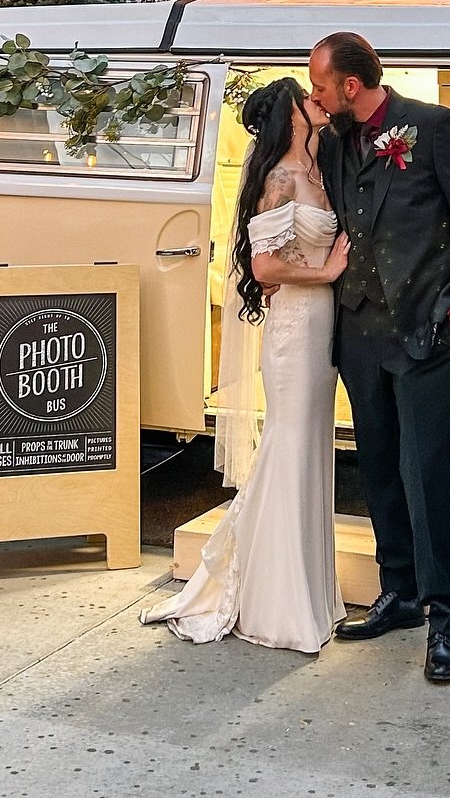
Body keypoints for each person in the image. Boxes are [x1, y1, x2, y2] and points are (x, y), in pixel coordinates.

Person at [309, 33, 450, 683]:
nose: (316, 94)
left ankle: (445, 621)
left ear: (351, 85)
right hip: (359, 331)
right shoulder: (336, 140)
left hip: (424, 331)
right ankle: (399, 593)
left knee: (428, 478)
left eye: (322, 85)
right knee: (380, 470)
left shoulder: (434, 127)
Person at [141, 77, 351, 653]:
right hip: (294, 329)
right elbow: (263, 269)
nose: (318, 102)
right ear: (291, 115)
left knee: (310, 447)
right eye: (308, 98)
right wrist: (327, 273)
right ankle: (276, 602)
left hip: (321, 327)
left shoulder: (317, 168)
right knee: (289, 445)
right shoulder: (280, 179)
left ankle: (306, 590)